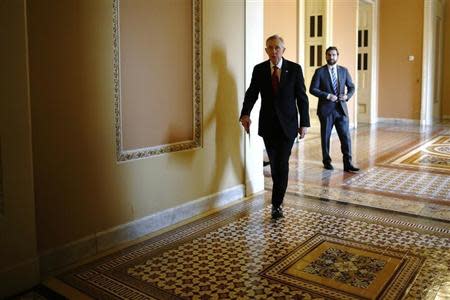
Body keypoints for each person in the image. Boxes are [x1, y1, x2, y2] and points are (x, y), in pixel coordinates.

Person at [240, 35, 310, 219]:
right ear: (266, 50)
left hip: (288, 126)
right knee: (275, 165)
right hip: (268, 126)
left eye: (277, 47)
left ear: (283, 50)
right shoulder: (260, 70)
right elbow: (252, 94)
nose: (273, 51)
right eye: (270, 48)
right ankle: (277, 201)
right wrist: (245, 114)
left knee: (282, 164)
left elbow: (302, 98)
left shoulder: (294, 69)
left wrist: (304, 123)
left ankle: (276, 204)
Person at [309, 46, 360, 173]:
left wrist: (347, 96)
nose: (331, 57)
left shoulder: (344, 71)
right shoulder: (319, 71)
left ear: (337, 56)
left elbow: (352, 87)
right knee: (325, 137)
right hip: (326, 110)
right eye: (329, 55)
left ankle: (348, 163)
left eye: (334, 55)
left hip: (341, 110)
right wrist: (327, 95)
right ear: (325, 56)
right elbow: (312, 89)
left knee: (345, 137)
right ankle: (327, 162)